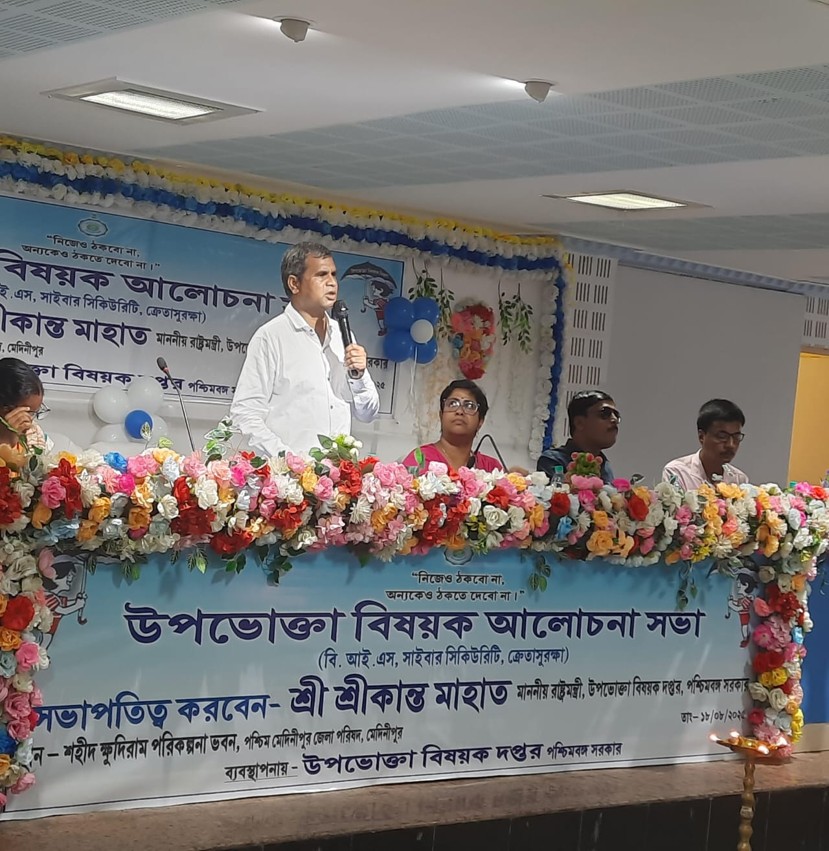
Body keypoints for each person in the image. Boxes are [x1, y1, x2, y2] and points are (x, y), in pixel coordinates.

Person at [230, 242, 380, 456]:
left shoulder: (343, 336)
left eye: (334, 274)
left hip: (339, 472)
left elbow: (367, 414)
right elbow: (245, 414)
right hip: (289, 474)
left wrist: (360, 376)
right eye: (321, 275)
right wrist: (289, 460)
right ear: (294, 283)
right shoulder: (271, 337)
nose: (332, 283)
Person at [402, 379, 502, 473]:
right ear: (441, 415)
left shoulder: (491, 468)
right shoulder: (420, 458)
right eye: (452, 404)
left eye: (469, 406)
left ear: (480, 421)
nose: (459, 411)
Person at [662, 399, 749, 490]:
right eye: (722, 436)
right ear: (701, 437)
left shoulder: (739, 479)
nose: (730, 445)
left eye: (736, 436)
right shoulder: (677, 472)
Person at [537, 390, 619, 484]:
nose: (615, 419)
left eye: (617, 415)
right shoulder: (552, 460)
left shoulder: (605, 465)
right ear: (579, 423)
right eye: (605, 413)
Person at [0, 357, 52, 452]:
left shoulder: (35, 437)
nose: (30, 422)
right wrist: (7, 440)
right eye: (28, 413)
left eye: (35, 413)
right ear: (5, 409)